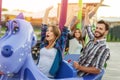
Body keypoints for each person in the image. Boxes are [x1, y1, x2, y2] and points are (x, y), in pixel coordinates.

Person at [73, 6, 110, 77]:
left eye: (100, 29)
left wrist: (79, 67)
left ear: (106, 32)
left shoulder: (104, 48)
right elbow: (88, 26)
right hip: (75, 72)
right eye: (96, 28)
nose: (97, 30)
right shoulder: (93, 39)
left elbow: (97, 69)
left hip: (82, 76)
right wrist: (86, 12)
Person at [37, 6, 72, 78]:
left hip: (48, 77)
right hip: (37, 74)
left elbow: (65, 28)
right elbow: (44, 26)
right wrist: (47, 11)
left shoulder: (59, 45)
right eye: (47, 31)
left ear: (55, 35)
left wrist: (73, 13)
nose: (48, 32)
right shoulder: (44, 43)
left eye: (51, 31)